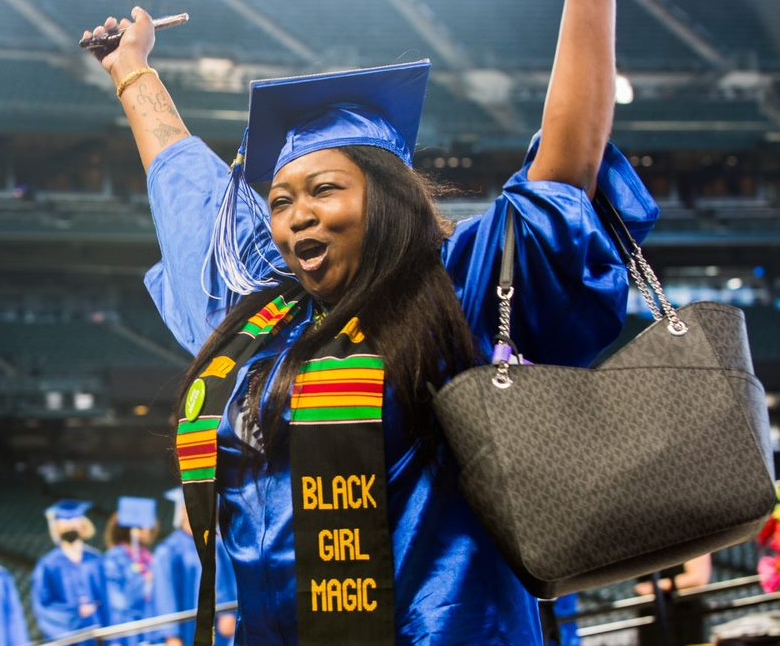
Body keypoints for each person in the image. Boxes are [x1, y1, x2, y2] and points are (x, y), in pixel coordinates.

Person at [83, 1, 656, 643]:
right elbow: (186, 193)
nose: (296, 214)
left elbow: (564, 172)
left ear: (385, 198)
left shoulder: (446, 298)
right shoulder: (257, 332)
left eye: (324, 189)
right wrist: (132, 71)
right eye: (279, 201)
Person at [152, 487, 237, 646]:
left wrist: (229, 613)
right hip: (186, 632)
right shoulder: (169, 550)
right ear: (183, 511)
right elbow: (164, 594)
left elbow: (230, 583)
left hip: (222, 632)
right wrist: (171, 635)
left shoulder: (220, 545)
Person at [31, 499, 106, 645]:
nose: (70, 527)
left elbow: (108, 599)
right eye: (66, 523)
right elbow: (43, 606)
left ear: (83, 525)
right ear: (57, 527)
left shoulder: (95, 560)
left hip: (97, 635)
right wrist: (76, 613)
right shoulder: (49, 564)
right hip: (66, 638)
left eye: (74, 522)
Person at [102, 496, 158, 646]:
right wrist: (143, 581)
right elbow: (117, 601)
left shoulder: (149, 557)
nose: (150, 530)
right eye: (147, 526)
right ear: (134, 530)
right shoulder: (114, 559)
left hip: (151, 628)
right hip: (125, 633)